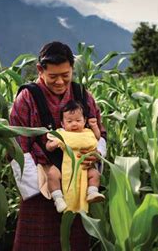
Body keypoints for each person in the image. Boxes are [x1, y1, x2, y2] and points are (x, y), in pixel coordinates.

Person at [9, 41, 107, 250]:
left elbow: (100, 132)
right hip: (43, 182)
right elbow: (17, 145)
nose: (60, 82)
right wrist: (41, 181)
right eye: (53, 76)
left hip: (78, 182)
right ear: (40, 70)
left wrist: (96, 156)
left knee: (74, 241)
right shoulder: (27, 98)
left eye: (66, 75)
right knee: (37, 242)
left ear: (72, 68)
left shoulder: (83, 96)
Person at [45, 100, 105, 213]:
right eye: (69, 121)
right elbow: (48, 146)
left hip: (83, 163)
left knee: (94, 174)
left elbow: (97, 137)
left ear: (84, 121)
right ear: (62, 124)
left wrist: (94, 126)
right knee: (52, 174)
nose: (74, 124)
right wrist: (54, 144)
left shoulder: (87, 132)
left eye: (78, 120)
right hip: (63, 163)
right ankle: (58, 199)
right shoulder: (60, 132)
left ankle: (92, 192)